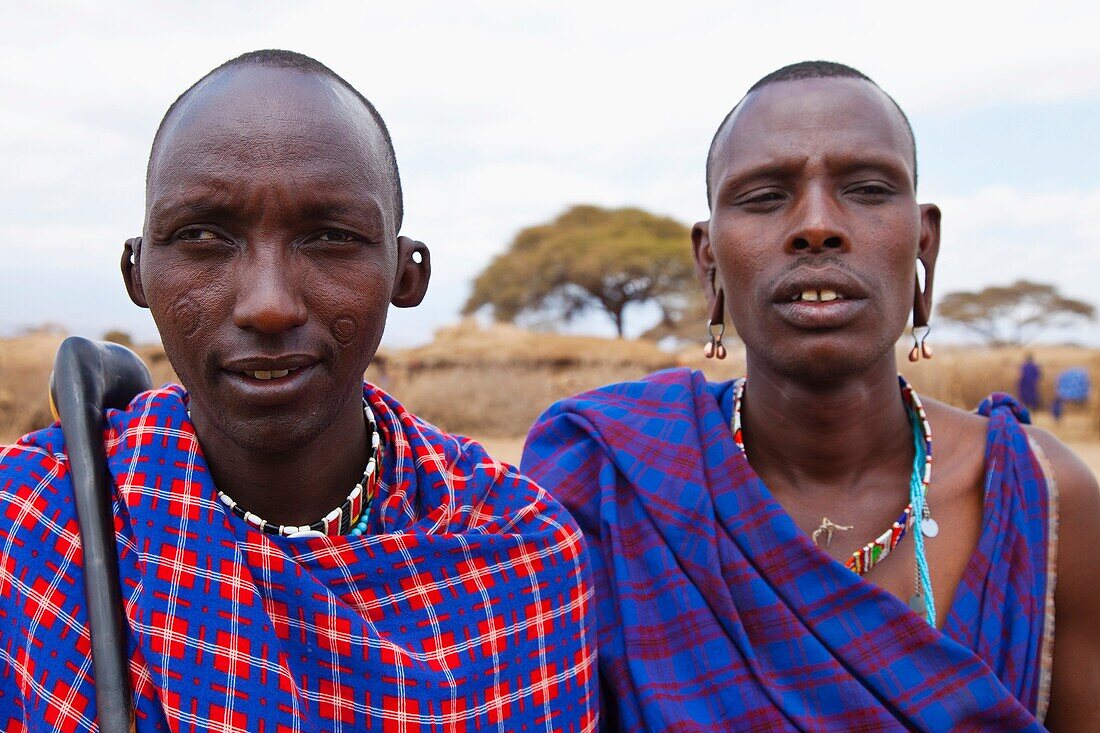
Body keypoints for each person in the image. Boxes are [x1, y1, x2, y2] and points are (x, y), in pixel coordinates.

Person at [0, 51, 596, 731]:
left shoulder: (519, 551)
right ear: (139, 273)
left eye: (330, 237)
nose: (269, 304)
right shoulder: (33, 523)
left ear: (405, 274)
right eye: (201, 236)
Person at [523, 61, 1100, 731]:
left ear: (924, 244)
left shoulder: (1041, 499)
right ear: (709, 260)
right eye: (766, 196)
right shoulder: (601, 483)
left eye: (869, 188)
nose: (817, 225)